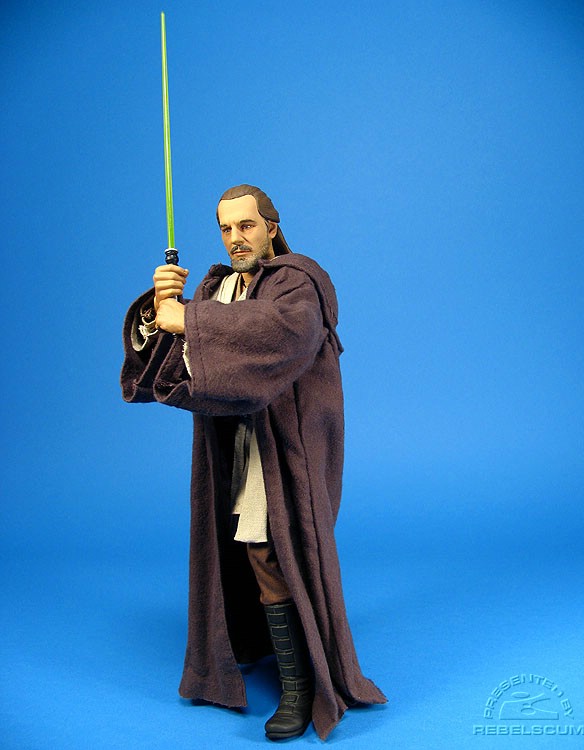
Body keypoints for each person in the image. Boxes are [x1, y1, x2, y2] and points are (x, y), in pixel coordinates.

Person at [121, 184, 386, 741]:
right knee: (244, 551)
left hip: (284, 446)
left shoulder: (298, 281)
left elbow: (282, 333)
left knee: (272, 550)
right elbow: (175, 368)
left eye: (246, 225)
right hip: (235, 444)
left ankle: (300, 688)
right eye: (226, 228)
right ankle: (266, 651)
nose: (235, 238)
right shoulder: (217, 289)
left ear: (271, 226)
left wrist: (189, 322)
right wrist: (157, 310)